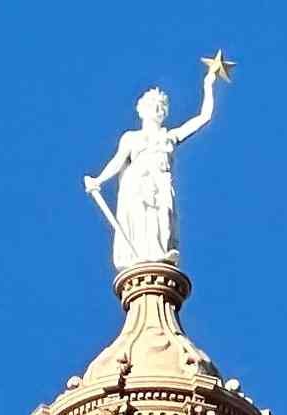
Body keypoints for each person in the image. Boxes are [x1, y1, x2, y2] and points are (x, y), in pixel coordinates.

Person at [84, 60, 224, 272]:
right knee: (141, 215)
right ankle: (143, 256)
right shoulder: (131, 138)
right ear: (142, 110)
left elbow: (203, 118)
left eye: (161, 107)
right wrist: (99, 180)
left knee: (164, 216)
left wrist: (208, 85)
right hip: (139, 180)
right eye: (152, 106)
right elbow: (118, 161)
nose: (157, 110)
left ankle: (160, 253)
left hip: (161, 179)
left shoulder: (169, 136)